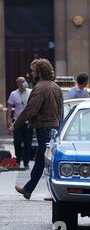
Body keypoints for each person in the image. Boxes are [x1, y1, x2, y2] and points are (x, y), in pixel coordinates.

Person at [10, 59, 64, 200]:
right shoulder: (55, 86)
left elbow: (30, 110)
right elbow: (61, 109)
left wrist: (15, 125)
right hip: (54, 127)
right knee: (44, 159)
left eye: (33, 71)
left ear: (39, 72)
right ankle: (30, 189)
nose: (31, 73)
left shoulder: (40, 88)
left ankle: (40, 190)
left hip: (44, 128)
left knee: (45, 160)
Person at [6, 77, 33, 170]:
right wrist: (9, 119)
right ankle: (18, 160)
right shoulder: (13, 94)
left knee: (27, 142)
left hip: (28, 122)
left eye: (24, 81)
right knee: (17, 141)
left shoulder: (30, 92)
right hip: (17, 122)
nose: (24, 83)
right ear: (18, 84)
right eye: (22, 82)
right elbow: (9, 107)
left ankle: (26, 162)